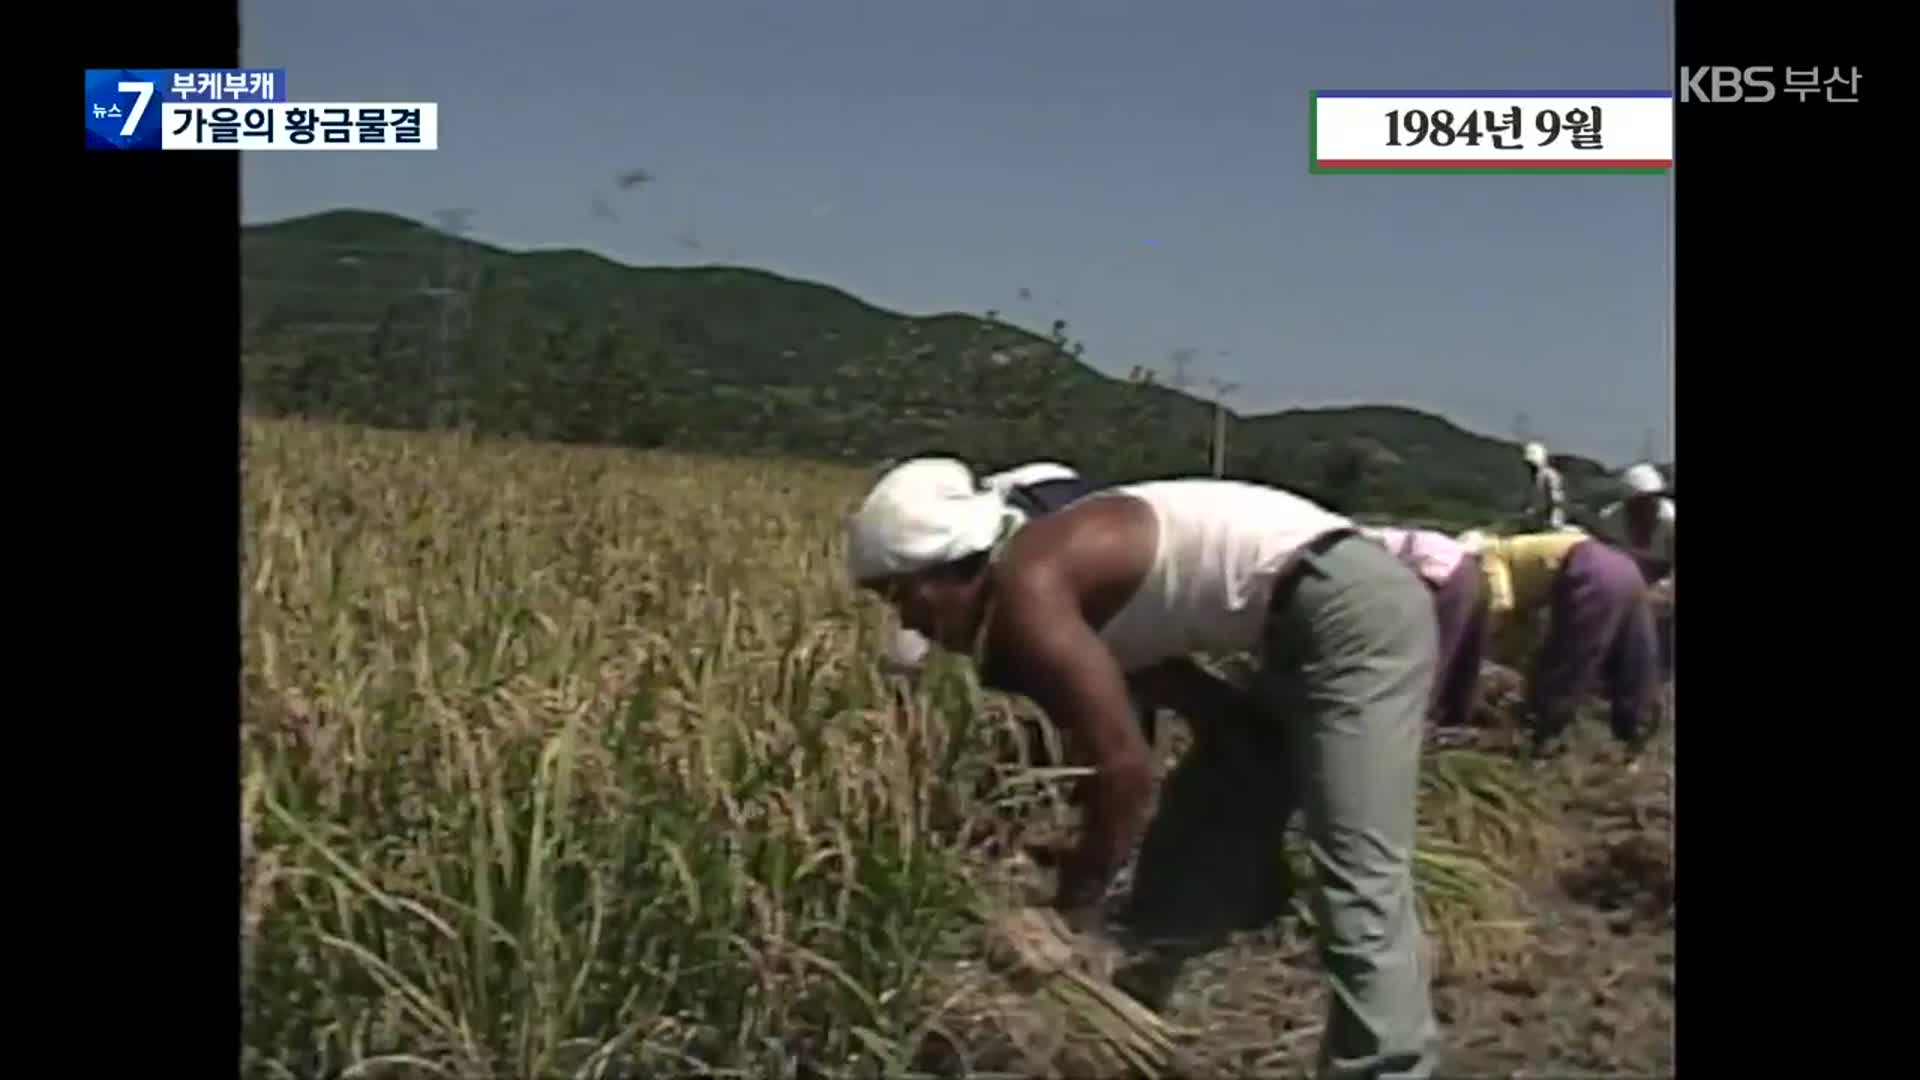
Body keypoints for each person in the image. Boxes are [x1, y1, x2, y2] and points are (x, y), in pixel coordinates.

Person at [847, 458, 1441, 1079]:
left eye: (899, 596)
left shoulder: (1030, 588)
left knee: (1357, 871)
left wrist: (1069, 909)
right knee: (1192, 834)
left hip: (1349, 609)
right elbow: (1213, 716)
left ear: (941, 572)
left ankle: (1387, 1068)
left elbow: (1125, 769)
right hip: (1302, 617)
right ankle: (1134, 1023)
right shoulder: (1077, 591)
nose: (907, 621)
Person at [1472, 528, 1660, 760]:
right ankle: (1634, 737)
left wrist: (1479, 652)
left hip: (1588, 566)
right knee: (1631, 659)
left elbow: (1501, 607)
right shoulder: (1520, 552)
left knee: (1569, 658)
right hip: (1626, 569)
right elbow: (1518, 628)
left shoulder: (1487, 554)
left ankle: (1537, 737)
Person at [1359, 526, 1489, 730]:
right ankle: (1458, 714)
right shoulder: (1384, 537)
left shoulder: (1363, 543)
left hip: (1445, 574)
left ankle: (1415, 721)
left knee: (1431, 650)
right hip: (1464, 570)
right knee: (1463, 652)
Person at [1520, 441, 1568, 530]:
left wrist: (1553, 523)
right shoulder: (1535, 479)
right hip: (1538, 523)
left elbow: (1556, 501)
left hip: (1550, 524)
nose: (1529, 467)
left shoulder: (1550, 475)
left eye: (1531, 464)